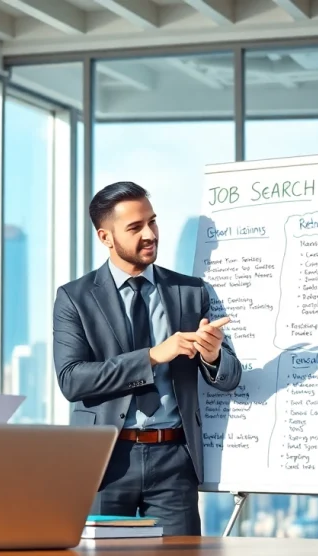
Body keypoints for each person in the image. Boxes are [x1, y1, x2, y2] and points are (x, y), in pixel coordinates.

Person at [52, 181, 242, 536]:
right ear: (106, 237)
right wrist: (153, 356)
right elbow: (72, 380)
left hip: (174, 460)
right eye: (135, 227)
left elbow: (230, 376)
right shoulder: (75, 297)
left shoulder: (190, 291)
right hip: (104, 461)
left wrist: (213, 355)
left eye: (152, 222)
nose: (150, 234)